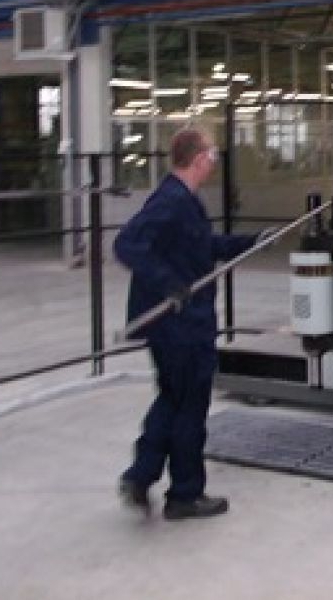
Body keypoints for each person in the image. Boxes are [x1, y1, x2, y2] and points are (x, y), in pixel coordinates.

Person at [114, 127, 276, 520]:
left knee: (173, 398)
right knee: (189, 405)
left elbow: (203, 248)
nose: (214, 163)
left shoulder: (184, 201)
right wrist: (169, 284)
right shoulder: (171, 200)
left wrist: (252, 241)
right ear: (199, 158)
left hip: (183, 323)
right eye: (213, 156)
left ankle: (141, 475)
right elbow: (127, 244)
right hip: (179, 325)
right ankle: (185, 494)